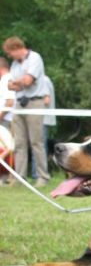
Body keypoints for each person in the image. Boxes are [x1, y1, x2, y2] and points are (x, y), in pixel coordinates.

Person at [2, 36, 49, 187]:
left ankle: (42, 176)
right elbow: (10, 86)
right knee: (19, 143)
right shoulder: (15, 64)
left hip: (35, 102)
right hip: (19, 104)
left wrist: (19, 82)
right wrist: (19, 82)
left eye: (10, 53)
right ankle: (19, 177)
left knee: (36, 141)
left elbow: (28, 81)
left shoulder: (35, 58)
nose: (9, 57)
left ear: (16, 48)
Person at [0, 57, 15, 129]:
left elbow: (10, 103)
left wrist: (0, 116)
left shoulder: (6, 79)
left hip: (6, 120)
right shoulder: (8, 78)